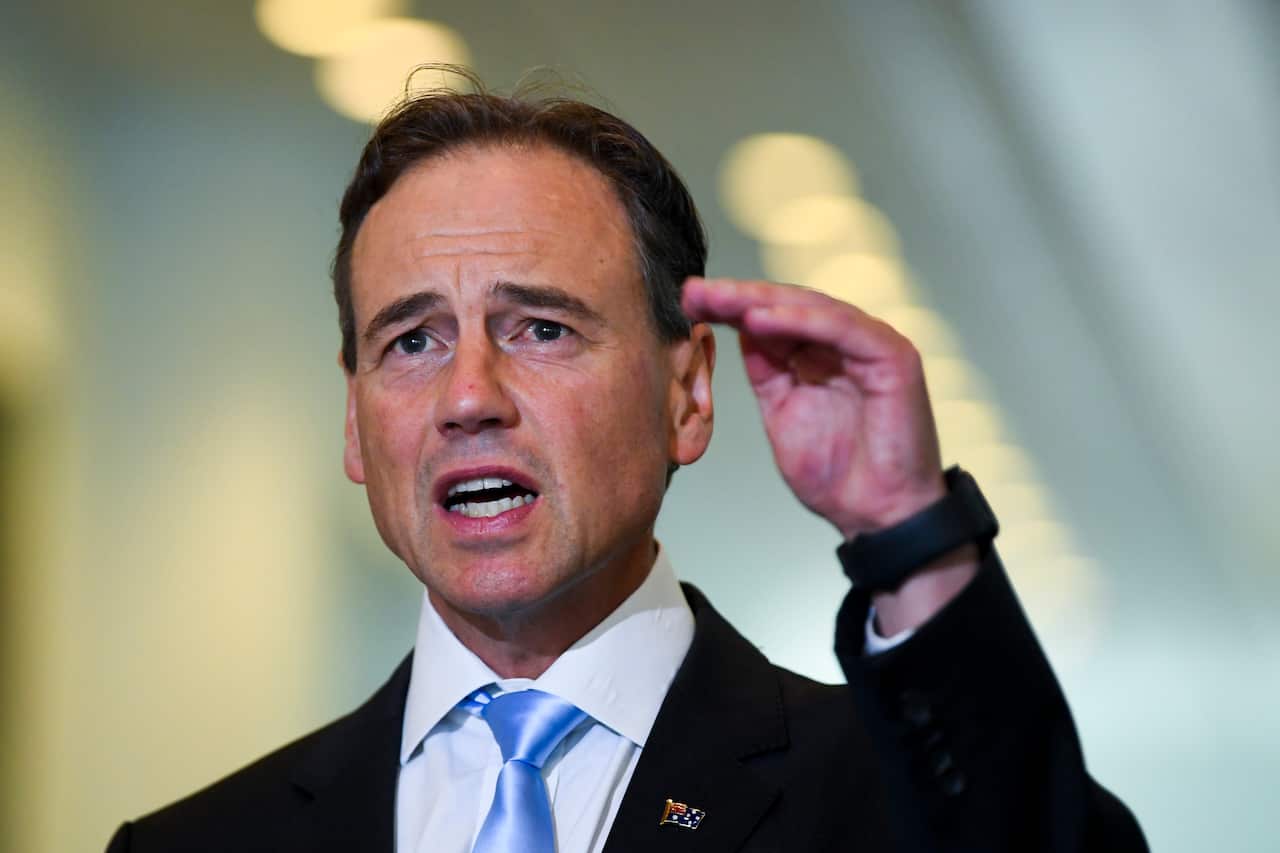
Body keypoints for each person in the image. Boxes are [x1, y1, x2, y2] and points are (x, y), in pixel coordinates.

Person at [106, 75, 1147, 852]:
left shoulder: (884, 804)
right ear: (353, 420)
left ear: (687, 392)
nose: (468, 396)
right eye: (411, 340)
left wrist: (909, 538)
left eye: (540, 329)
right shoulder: (191, 844)